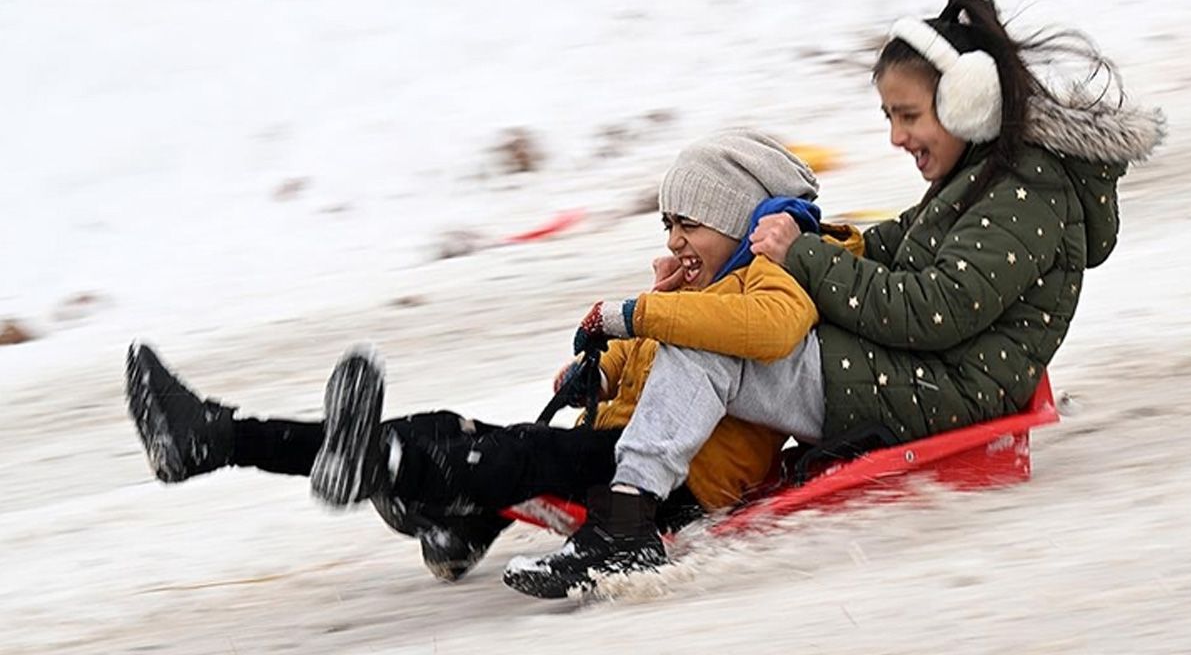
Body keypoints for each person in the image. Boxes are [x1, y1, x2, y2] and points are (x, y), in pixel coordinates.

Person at [504, 0, 1164, 599]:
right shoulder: (990, 179)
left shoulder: (1025, 193)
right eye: (888, 116)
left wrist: (810, 259)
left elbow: (935, 310)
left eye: (907, 115)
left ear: (969, 103)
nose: (896, 136)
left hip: (949, 390)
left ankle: (626, 522)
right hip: (926, 373)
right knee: (728, 326)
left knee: (710, 342)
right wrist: (814, 242)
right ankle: (637, 490)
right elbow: (898, 244)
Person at [125, 129, 862, 583]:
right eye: (667, 222)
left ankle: (392, 473)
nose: (671, 239)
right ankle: (220, 439)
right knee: (458, 432)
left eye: (689, 223)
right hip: (623, 447)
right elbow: (656, 370)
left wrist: (645, 312)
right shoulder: (696, 290)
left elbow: (752, 340)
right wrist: (603, 367)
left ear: (739, 220)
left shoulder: (764, 283)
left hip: (678, 482)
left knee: (497, 454)